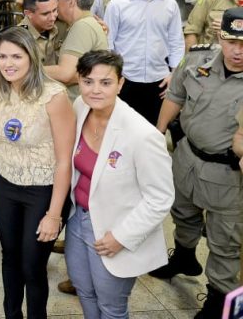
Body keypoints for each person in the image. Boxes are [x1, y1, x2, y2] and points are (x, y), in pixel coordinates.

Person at [61, 49, 175, 318]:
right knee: (84, 290)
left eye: (106, 82)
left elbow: (160, 198)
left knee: (111, 307)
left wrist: (121, 237)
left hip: (115, 230)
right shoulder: (80, 108)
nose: (95, 90)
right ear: (78, 81)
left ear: (121, 83)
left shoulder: (142, 134)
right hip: (80, 220)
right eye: (88, 81)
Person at [151, 8, 243, 319]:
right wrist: (157, 134)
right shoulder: (197, 59)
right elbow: (175, 95)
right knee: (182, 211)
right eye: (232, 42)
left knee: (225, 238)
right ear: (220, 36)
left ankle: (219, 297)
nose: (238, 51)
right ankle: (185, 257)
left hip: (227, 174)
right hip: (187, 156)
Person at [0, 27, 75, 319]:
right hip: (4, 184)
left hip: (43, 189)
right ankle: (11, 314)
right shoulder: (0, 90)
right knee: (9, 258)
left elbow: (65, 161)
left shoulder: (54, 96)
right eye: (2, 56)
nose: (8, 63)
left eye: (16, 56)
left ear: (32, 58)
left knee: (32, 264)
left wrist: (54, 214)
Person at [104, 0, 184, 124]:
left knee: (154, 134)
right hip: (126, 81)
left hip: (160, 83)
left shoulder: (170, 4)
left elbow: (176, 42)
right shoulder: (117, 5)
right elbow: (108, 45)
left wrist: (174, 75)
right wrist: (112, 77)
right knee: (122, 132)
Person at [46, 0, 108, 100]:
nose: (56, 5)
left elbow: (65, 73)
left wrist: (28, 69)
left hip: (77, 102)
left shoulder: (82, 26)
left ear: (71, 2)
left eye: (58, 0)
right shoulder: (85, 24)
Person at [19, 0, 66, 66]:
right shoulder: (19, 39)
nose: (52, 18)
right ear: (28, 14)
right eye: (45, 14)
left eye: (55, 10)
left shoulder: (63, 25)